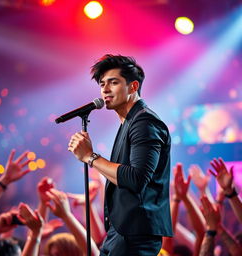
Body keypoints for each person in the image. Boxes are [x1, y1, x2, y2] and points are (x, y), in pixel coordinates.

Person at [68, 54, 173, 255]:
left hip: (135, 234)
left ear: (133, 87)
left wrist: (90, 157)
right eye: (102, 84)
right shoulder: (129, 122)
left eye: (113, 83)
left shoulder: (145, 123)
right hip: (122, 232)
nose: (105, 90)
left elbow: (135, 178)